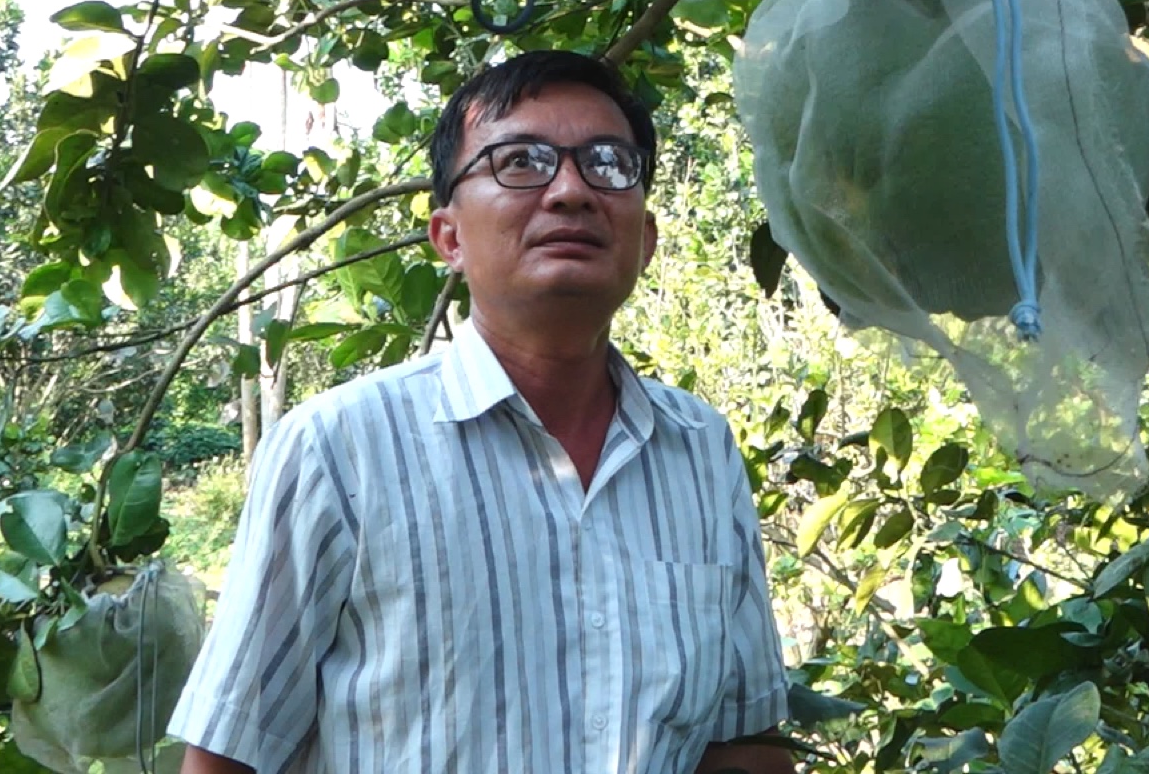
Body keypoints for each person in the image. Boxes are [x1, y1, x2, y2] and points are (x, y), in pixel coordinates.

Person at [170, 50, 794, 774]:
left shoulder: (700, 449)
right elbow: (229, 756)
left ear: (645, 239)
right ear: (450, 238)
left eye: (608, 163)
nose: (570, 191)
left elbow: (742, 743)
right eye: (520, 162)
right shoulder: (337, 449)